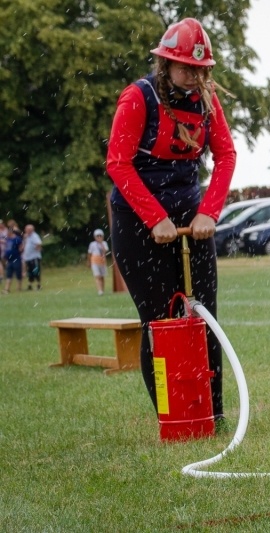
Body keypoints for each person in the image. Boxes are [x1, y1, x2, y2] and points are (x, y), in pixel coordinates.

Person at [105, 18, 236, 428]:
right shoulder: (137, 98)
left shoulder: (208, 101)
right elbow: (118, 164)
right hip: (139, 223)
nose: (194, 76)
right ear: (165, 64)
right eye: (185, 68)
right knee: (161, 322)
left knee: (205, 318)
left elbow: (226, 156)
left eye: (200, 69)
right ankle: (174, 418)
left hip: (191, 220)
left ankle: (211, 416)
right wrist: (155, 218)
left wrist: (208, 212)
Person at [88, 229, 110, 295]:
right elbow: (89, 253)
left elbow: (105, 251)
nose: (99, 237)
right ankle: (99, 290)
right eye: (97, 236)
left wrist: (101, 244)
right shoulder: (92, 244)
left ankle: (102, 290)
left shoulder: (104, 243)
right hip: (94, 261)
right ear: (95, 237)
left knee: (102, 276)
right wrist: (89, 262)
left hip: (102, 261)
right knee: (97, 276)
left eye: (100, 236)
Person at [21, 224, 42, 291]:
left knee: (36, 271)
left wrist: (37, 249)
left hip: (34, 257)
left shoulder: (34, 236)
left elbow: (38, 243)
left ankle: (38, 285)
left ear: (30, 230)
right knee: (30, 272)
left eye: (26, 229)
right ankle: (29, 285)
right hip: (28, 257)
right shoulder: (27, 236)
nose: (25, 230)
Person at [3, 226, 23, 294]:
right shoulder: (8, 239)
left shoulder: (17, 239)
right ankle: (7, 289)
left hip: (16, 259)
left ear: (10, 232)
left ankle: (19, 288)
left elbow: (21, 247)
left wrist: (19, 253)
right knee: (9, 274)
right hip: (9, 260)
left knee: (18, 273)